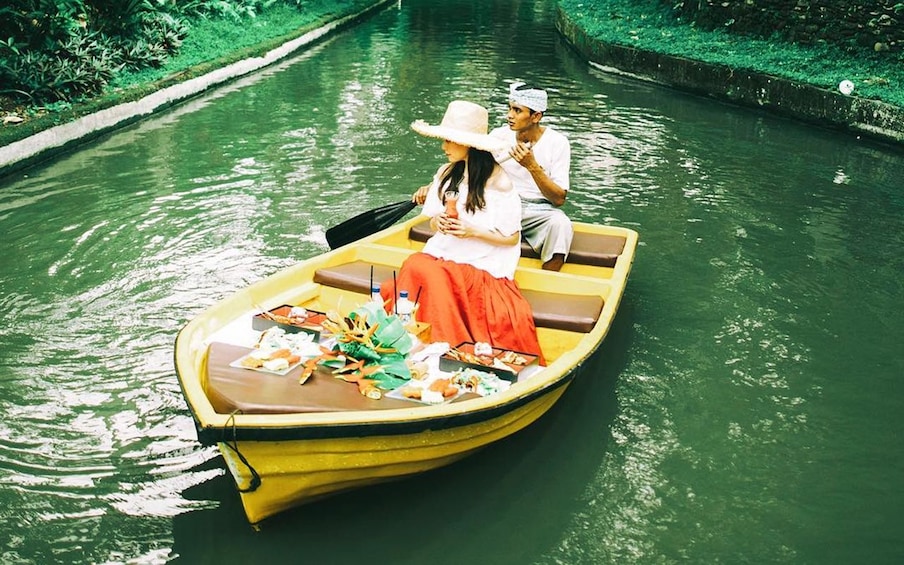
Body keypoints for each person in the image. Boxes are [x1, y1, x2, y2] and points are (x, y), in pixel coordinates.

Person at [383, 100, 543, 359]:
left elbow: (512, 238)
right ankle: (410, 339)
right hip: (445, 254)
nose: (443, 147)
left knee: (426, 270)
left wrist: (472, 231)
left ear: (468, 144)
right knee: (416, 264)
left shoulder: (500, 182)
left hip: (483, 263)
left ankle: (443, 345)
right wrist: (440, 223)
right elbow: (434, 220)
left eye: (448, 141)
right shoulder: (446, 173)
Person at [413, 82, 573, 271]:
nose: (509, 115)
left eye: (517, 110)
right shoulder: (498, 136)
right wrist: (434, 187)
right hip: (496, 204)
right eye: (509, 108)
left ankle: (549, 280)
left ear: (536, 116)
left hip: (537, 211)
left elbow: (559, 198)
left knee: (561, 224)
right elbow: (470, 164)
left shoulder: (558, 143)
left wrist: (532, 167)